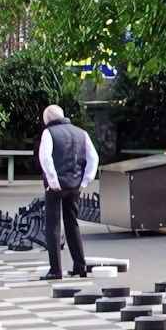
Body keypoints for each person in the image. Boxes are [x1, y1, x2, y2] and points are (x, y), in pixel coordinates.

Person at [37, 105, 99, 279]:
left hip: (56, 186)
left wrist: (53, 181)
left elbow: (46, 158)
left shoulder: (49, 133)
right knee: (72, 224)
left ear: (46, 119)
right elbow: (93, 157)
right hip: (75, 185)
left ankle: (55, 270)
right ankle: (80, 266)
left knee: (53, 226)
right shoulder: (81, 133)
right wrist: (85, 180)